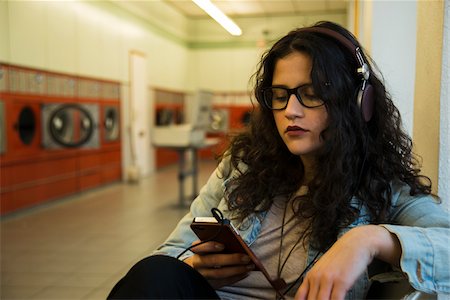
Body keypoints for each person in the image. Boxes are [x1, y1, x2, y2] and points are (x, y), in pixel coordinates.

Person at [108, 21, 450, 300]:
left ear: (359, 103)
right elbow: (170, 251)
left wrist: (367, 240)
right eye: (280, 95)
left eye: (312, 94)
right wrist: (194, 266)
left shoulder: (382, 186)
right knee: (155, 273)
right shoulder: (243, 166)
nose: (291, 111)